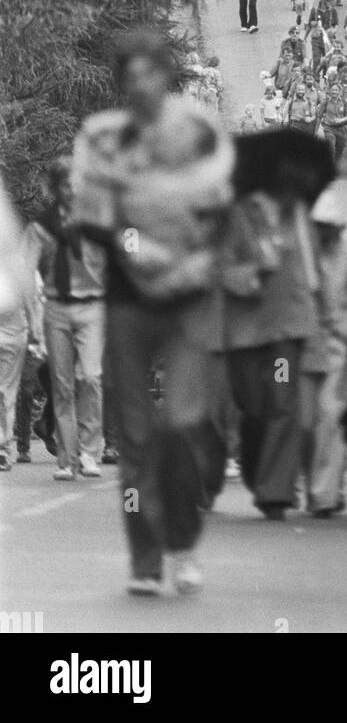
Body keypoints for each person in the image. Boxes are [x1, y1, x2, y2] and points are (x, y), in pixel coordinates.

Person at [70, 30, 234, 595]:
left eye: (150, 73)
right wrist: (142, 251)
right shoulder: (102, 139)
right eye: (129, 75)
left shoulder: (199, 133)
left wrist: (195, 265)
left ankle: (185, 543)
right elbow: (95, 220)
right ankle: (144, 560)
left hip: (191, 298)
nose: (140, 84)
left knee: (183, 423)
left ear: (167, 77)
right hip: (128, 299)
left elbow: (222, 216)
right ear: (120, 85)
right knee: (136, 436)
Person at [217, 157, 320, 520]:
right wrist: (252, 274)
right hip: (245, 333)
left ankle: (274, 493)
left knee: (281, 402)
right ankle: (256, 465)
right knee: (253, 406)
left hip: (284, 332)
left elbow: (312, 271)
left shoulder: (299, 217)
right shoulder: (237, 214)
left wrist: (317, 312)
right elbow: (221, 265)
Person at [23, 159, 106, 480]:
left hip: (92, 306)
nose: (74, 191)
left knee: (91, 375)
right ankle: (67, 460)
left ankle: (89, 452)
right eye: (67, 185)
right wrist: (33, 320)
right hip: (55, 308)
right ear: (57, 189)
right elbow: (25, 274)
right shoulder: (40, 227)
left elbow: (126, 242)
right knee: (62, 385)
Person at [302, 195, 347, 516]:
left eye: (328, 227)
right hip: (302, 346)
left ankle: (323, 494)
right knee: (306, 419)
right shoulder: (302, 252)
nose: (323, 233)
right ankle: (324, 485)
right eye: (318, 227)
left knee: (329, 415)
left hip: (339, 345)